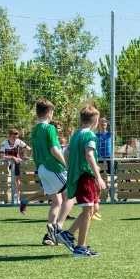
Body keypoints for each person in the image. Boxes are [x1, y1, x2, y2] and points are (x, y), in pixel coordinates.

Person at [22, 100, 76, 251]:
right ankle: (58, 228)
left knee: (57, 201)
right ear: (49, 113)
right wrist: (66, 165)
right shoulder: (49, 128)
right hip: (53, 167)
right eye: (52, 112)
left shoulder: (34, 130)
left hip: (41, 169)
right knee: (71, 196)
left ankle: (49, 236)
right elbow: (54, 150)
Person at [64, 105, 107, 257]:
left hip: (77, 175)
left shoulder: (75, 134)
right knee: (88, 210)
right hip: (85, 176)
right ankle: (80, 247)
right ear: (96, 122)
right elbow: (89, 155)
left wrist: (71, 169)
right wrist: (98, 176)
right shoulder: (90, 136)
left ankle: (68, 234)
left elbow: (67, 153)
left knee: (92, 209)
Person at [0, 129, 30, 204]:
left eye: (16, 137)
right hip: (6, 162)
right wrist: (12, 157)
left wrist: (27, 157)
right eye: (13, 137)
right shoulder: (4, 144)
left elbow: (29, 149)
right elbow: (2, 156)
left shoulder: (18, 142)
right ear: (9, 136)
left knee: (16, 179)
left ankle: (17, 197)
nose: (15, 139)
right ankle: (3, 197)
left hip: (16, 162)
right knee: (4, 178)